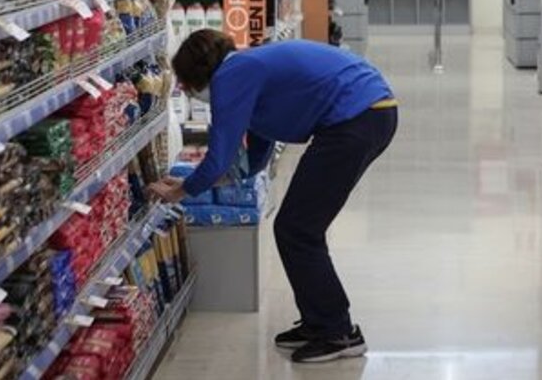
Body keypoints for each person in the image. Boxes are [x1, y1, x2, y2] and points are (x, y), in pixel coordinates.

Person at [147, 29, 398, 363]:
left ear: (197, 77)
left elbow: (218, 158)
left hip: (356, 118)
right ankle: (319, 323)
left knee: (298, 229)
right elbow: (255, 158)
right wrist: (209, 179)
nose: (186, 92)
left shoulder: (231, 76)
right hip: (368, 111)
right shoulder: (247, 68)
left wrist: (180, 190)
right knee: (296, 227)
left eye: (185, 85)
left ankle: (337, 332)